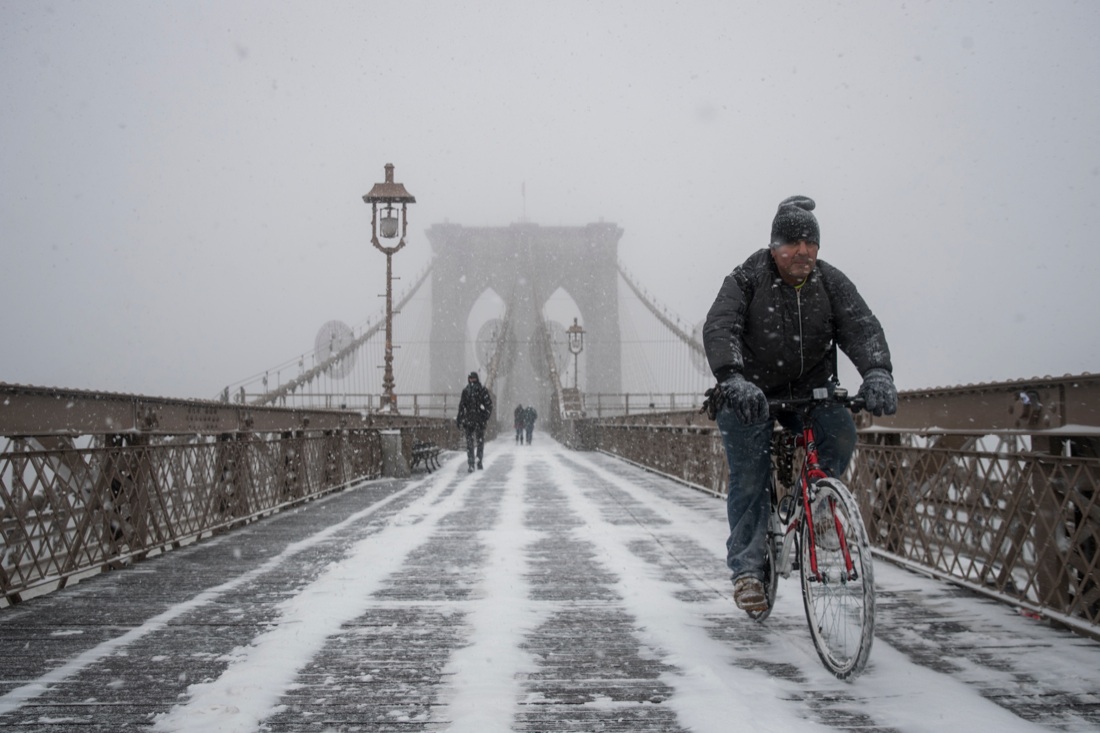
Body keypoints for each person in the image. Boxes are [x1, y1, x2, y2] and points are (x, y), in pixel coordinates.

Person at [702, 195, 897, 615]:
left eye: (810, 243)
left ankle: (819, 505)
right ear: (774, 246)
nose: (803, 251)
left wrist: (877, 371)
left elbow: (862, 328)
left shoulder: (830, 283)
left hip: (810, 393)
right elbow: (721, 327)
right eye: (792, 243)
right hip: (748, 395)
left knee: (841, 432)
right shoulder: (746, 280)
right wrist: (732, 378)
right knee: (750, 479)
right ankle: (749, 572)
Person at [457, 371, 494, 472]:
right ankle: (474, 462)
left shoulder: (472, 391)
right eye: (471, 379)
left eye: (473, 379)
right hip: (474, 421)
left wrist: (483, 417)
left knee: (474, 443)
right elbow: (461, 407)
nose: (472, 381)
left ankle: (475, 462)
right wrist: (460, 418)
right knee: (476, 442)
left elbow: (488, 406)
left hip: (473, 421)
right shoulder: (479, 390)